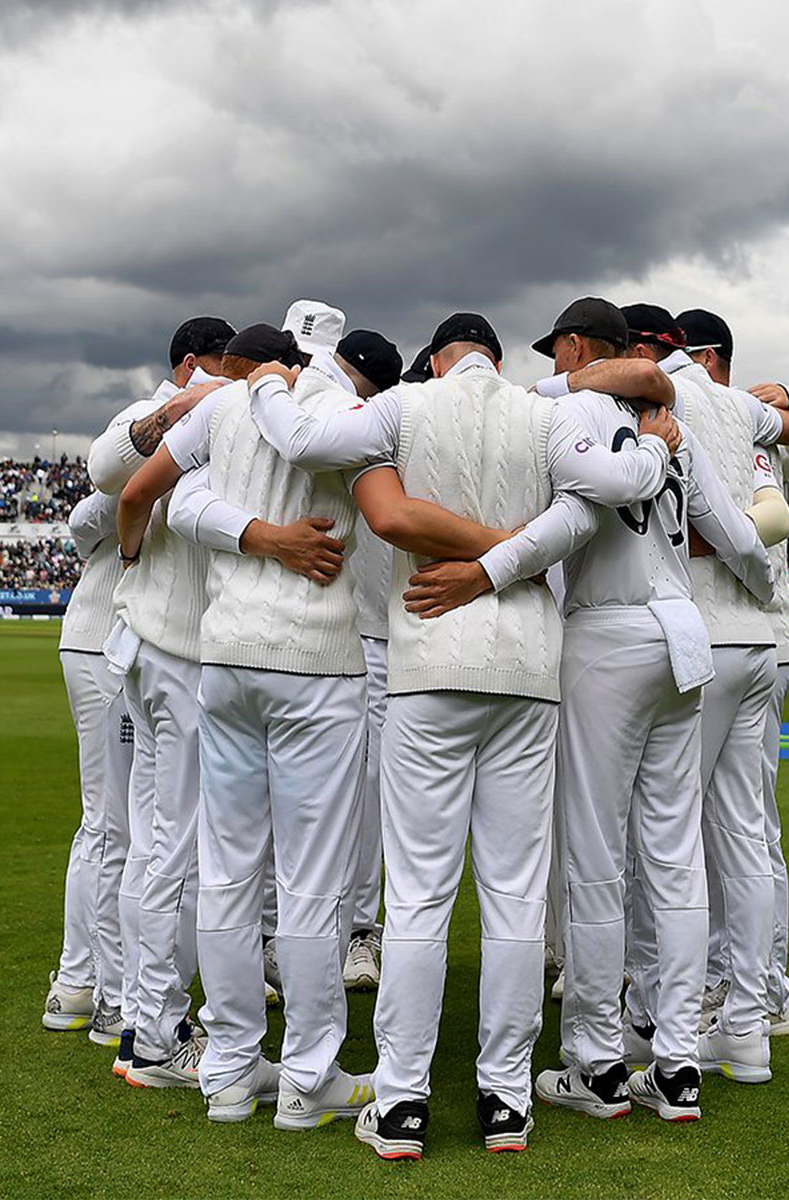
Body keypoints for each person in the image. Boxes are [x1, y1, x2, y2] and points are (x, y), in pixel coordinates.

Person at [246, 309, 674, 1158]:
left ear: (439, 358)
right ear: (495, 356)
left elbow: (303, 441)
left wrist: (263, 381)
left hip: (428, 659)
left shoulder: (406, 406)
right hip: (526, 668)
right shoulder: (542, 412)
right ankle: (506, 1098)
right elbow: (590, 512)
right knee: (515, 896)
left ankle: (403, 1100)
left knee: (417, 897)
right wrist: (505, 563)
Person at [119, 323, 392, 1128]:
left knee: (229, 873)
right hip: (314, 660)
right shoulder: (339, 406)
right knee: (311, 884)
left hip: (227, 658)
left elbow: (153, 495)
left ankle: (232, 1071)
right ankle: (309, 1079)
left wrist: (236, 533)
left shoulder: (217, 408)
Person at [521, 298, 773, 1124]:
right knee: (674, 856)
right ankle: (676, 1065)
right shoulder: (671, 419)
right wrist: (767, 595)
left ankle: (595, 1062)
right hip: (684, 634)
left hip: (607, 634)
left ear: (574, 345)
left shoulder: (566, 405)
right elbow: (735, 532)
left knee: (595, 856)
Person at [614, 304, 789, 1084]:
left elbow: (701, 516)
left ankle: (664, 1021)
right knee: (746, 837)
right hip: (759, 637)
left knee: (664, 839)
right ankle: (750, 1025)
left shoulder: (656, 403)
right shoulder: (735, 403)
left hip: (699, 634)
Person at [88, 316, 240, 1086]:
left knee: (154, 843)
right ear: (193, 362)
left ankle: (139, 1020)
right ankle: (155, 1031)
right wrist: (183, 406)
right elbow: (107, 468)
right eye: (224, 362)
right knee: (174, 847)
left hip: (157, 647)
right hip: (171, 651)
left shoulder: (220, 406)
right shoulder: (168, 408)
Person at [677, 307, 789, 1039]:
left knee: (732, 826)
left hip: (746, 632)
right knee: (738, 825)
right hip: (759, 637)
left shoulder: (740, 422)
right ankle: (754, 989)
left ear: (705, 360)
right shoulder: (746, 424)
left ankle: (751, 988)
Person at [40, 488, 137, 1048]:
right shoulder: (151, 429)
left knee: (109, 824)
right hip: (108, 645)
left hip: (112, 643)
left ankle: (81, 982)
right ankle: (99, 992)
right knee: (110, 825)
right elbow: (84, 519)